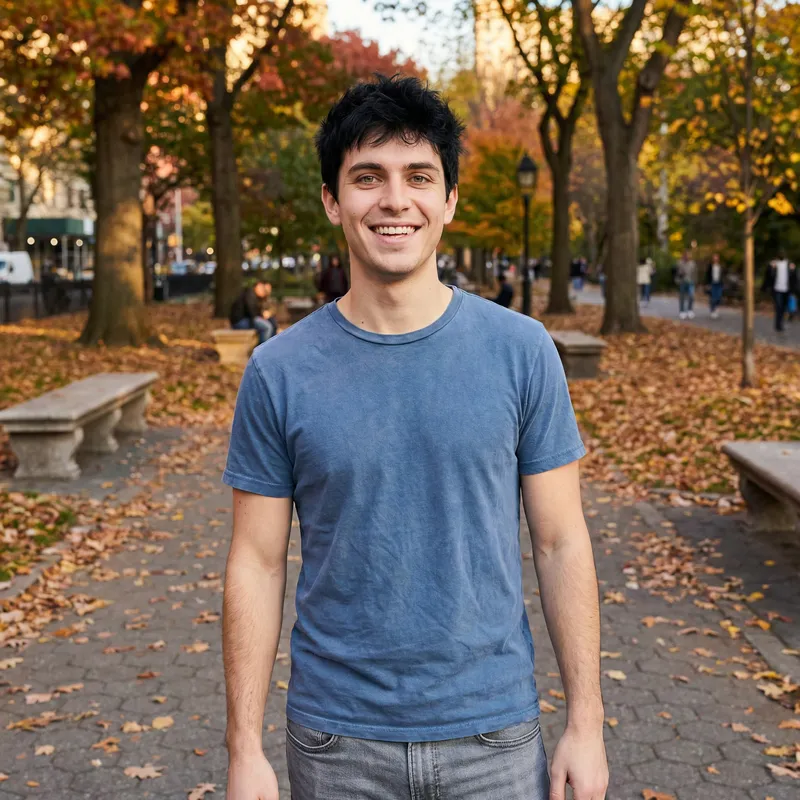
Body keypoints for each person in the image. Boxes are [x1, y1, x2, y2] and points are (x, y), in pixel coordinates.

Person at [221, 75, 608, 800]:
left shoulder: (523, 352)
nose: (395, 199)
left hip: (493, 734)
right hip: (336, 740)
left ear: (449, 200)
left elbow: (561, 543)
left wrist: (586, 722)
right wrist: (244, 746)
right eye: (367, 177)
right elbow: (257, 561)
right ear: (334, 200)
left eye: (418, 177)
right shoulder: (278, 371)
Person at [228, 278, 277, 344]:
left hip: (248, 319)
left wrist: (265, 314)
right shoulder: (249, 293)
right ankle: (261, 351)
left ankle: (270, 346)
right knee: (267, 327)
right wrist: (262, 315)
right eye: (262, 289)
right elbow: (251, 312)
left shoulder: (257, 297)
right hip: (240, 321)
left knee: (272, 322)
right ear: (258, 286)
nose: (264, 291)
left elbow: (270, 309)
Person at [762, 253, 796, 332]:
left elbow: (794, 278)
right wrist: (770, 267)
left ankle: (781, 323)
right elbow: (768, 276)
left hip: (786, 290)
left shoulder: (790, 265)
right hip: (777, 289)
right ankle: (778, 325)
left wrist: (794, 290)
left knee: (783, 308)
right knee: (778, 307)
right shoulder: (774, 264)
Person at [676, 250, 697, 320]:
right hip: (682, 282)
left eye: (688, 255)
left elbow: (695, 273)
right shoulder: (680, 263)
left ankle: (690, 310)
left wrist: (695, 282)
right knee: (682, 297)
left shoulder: (692, 264)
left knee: (691, 296)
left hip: (691, 282)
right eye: (685, 255)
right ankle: (682, 311)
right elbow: (677, 273)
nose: (686, 257)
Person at [704, 253, 725, 319]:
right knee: (713, 298)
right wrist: (707, 284)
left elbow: (723, 275)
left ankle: (716, 308)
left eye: (716, 257)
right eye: (714, 258)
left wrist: (723, 283)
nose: (715, 259)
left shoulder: (720, 266)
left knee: (718, 297)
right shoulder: (710, 266)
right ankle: (712, 311)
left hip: (719, 283)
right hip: (712, 283)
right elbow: (707, 275)